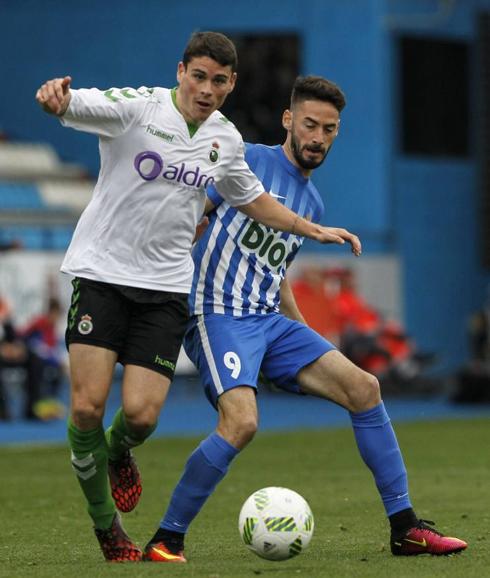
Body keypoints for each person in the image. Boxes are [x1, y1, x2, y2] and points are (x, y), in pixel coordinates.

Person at [35, 32, 360, 562]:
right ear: (181, 71)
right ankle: (107, 529)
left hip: (166, 290)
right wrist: (55, 98)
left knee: (140, 417)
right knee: (88, 407)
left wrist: (313, 229)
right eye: (199, 76)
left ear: (231, 84)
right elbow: (73, 101)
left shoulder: (225, 141)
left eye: (219, 81)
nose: (206, 89)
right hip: (101, 277)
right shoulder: (138, 108)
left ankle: (120, 453)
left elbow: (254, 201)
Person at [143, 76, 468, 563]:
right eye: (310, 124)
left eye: (329, 129)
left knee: (365, 389)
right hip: (217, 316)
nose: (318, 137)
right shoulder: (247, 160)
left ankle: (405, 529)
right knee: (242, 423)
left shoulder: (312, 203)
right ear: (288, 120)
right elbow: (190, 217)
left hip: (269, 324)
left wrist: (307, 336)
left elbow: (275, 274)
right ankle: (167, 539)